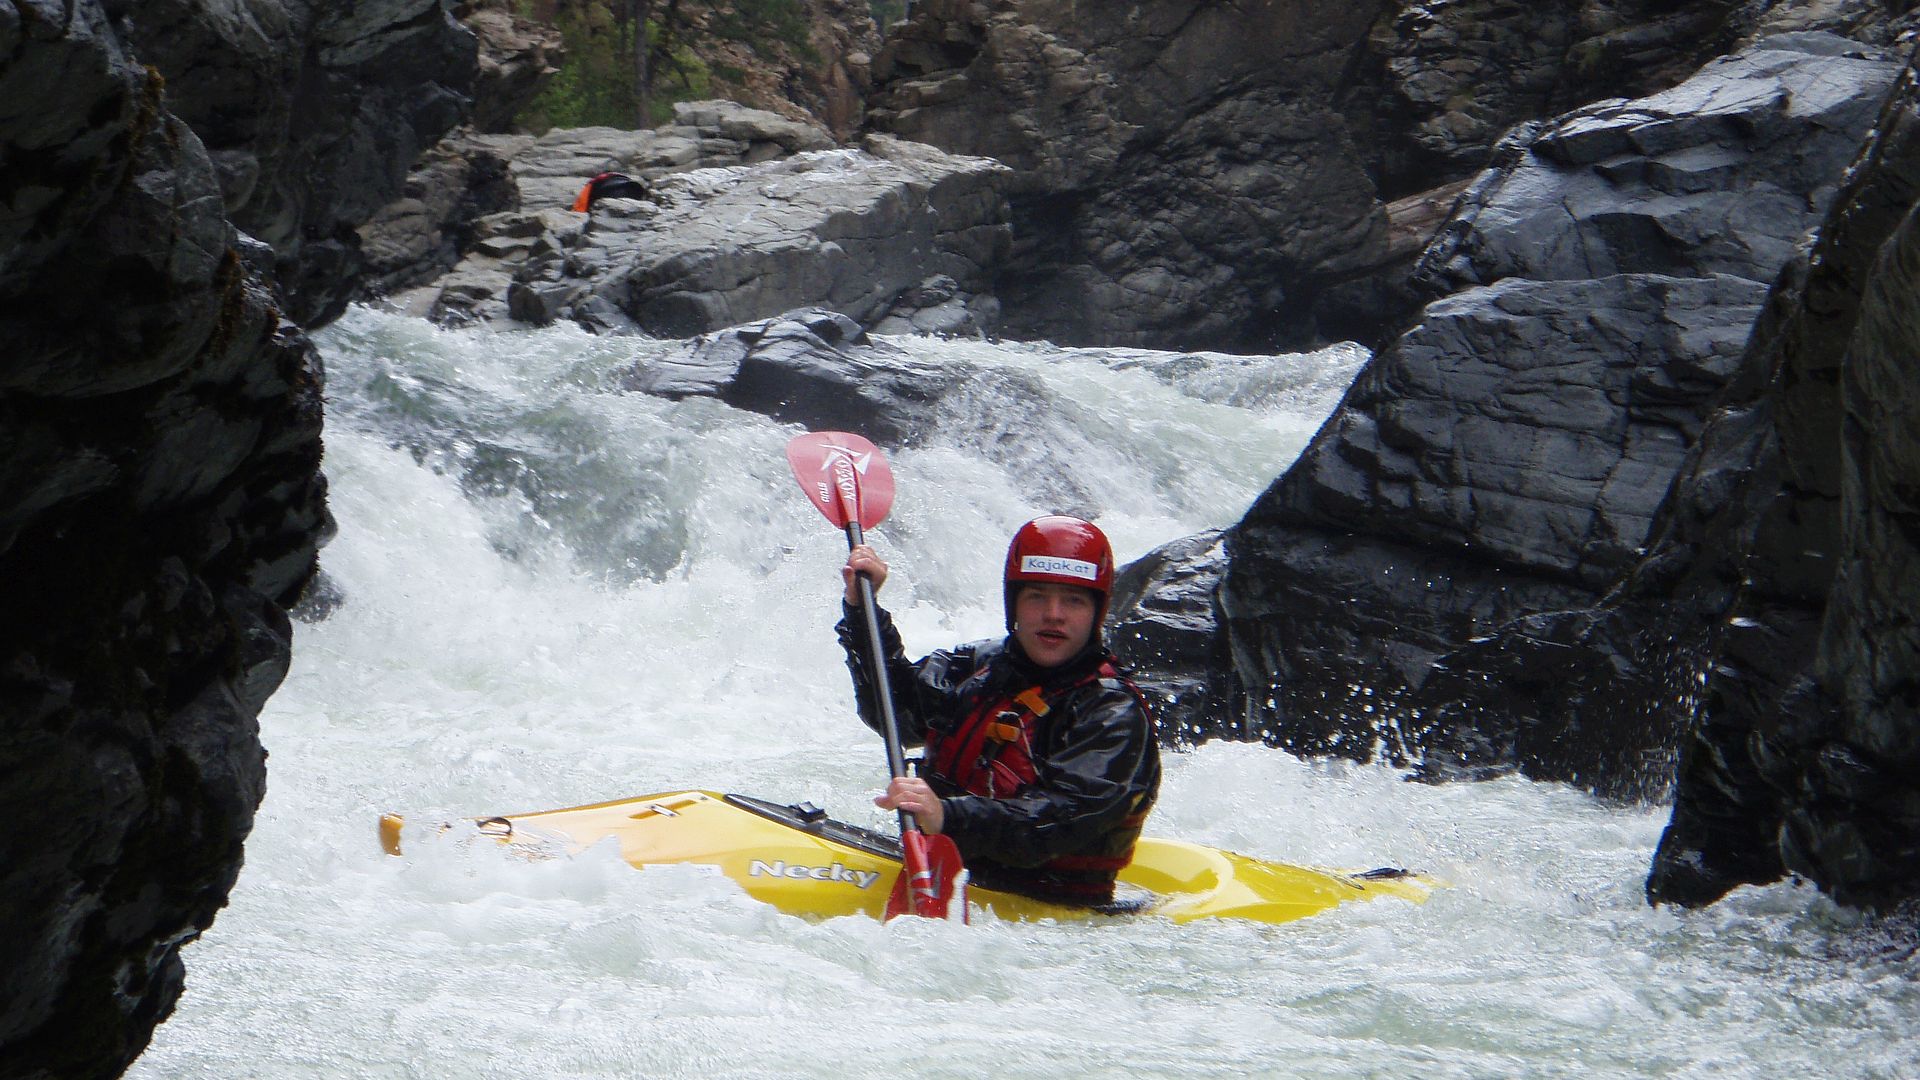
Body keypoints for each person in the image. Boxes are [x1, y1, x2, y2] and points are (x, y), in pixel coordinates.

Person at [837, 515, 1160, 907]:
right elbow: (895, 712)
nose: (1053, 614)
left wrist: (949, 818)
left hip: (1050, 906)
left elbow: (1059, 818)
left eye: (1073, 600)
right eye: (1037, 596)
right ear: (1015, 605)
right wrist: (862, 609)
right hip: (956, 873)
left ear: (1096, 613)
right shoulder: (980, 666)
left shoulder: (1112, 714)